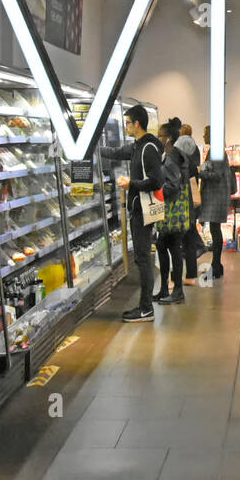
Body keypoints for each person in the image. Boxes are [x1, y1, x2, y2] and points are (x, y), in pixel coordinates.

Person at [100, 103, 164, 323]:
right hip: (138, 208)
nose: (126, 126)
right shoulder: (137, 146)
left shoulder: (148, 148)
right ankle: (145, 307)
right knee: (142, 258)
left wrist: (131, 184)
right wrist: (90, 148)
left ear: (137, 124)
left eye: (127, 122)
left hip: (143, 210)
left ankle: (146, 309)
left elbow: (157, 181)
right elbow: (116, 152)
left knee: (144, 259)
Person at [153, 118, 192, 305]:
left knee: (171, 248)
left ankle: (175, 291)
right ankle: (166, 289)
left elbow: (172, 185)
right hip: (178, 209)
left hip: (171, 211)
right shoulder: (176, 154)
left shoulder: (170, 158)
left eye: (159, 136)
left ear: (167, 138)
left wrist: (155, 189)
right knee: (166, 246)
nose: (157, 139)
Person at [199, 124, 234, 279]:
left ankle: (216, 265)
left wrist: (201, 172)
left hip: (216, 196)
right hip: (216, 195)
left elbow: (217, 174)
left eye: (206, 133)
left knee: (215, 230)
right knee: (215, 229)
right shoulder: (216, 150)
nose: (204, 136)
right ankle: (216, 265)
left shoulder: (217, 151)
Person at [174, 122, 203, 283]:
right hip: (191, 202)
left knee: (179, 239)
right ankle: (191, 273)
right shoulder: (194, 154)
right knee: (190, 237)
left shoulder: (179, 161)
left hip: (181, 204)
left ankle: (179, 277)